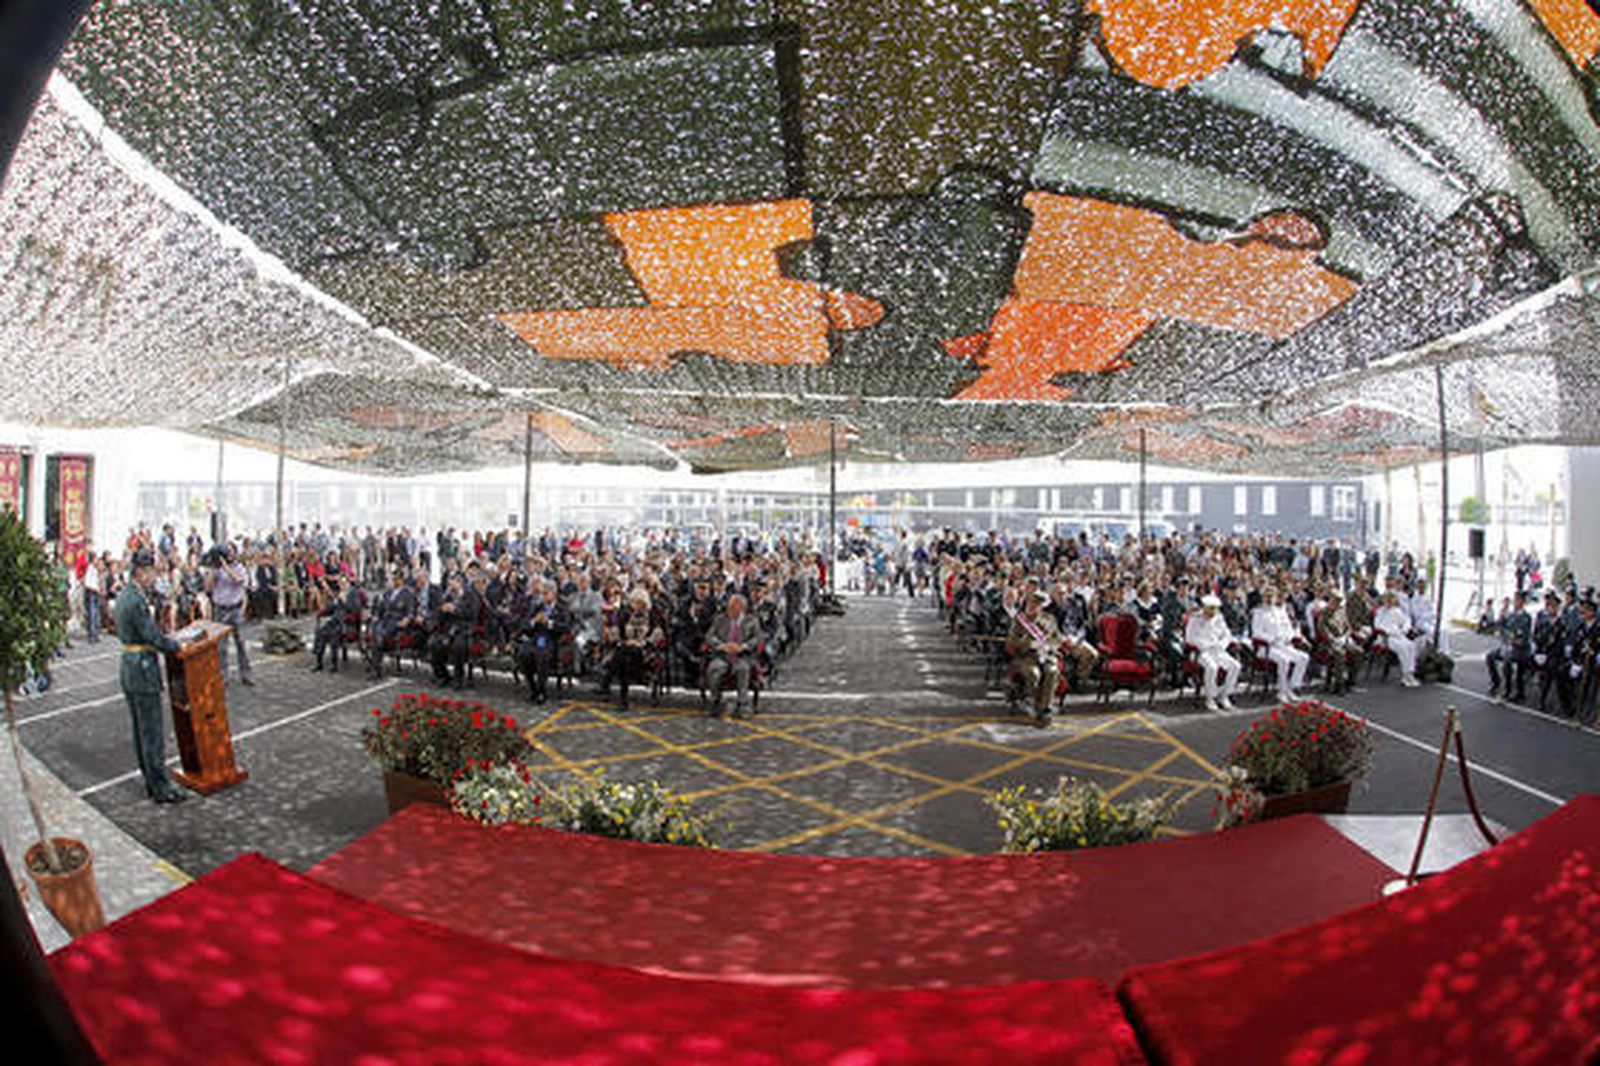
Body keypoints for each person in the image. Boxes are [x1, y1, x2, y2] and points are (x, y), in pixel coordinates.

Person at [115, 551, 189, 804]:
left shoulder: (124, 595)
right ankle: (160, 787)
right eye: (152, 572)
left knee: (140, 731)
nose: (154, 577)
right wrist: (177, 646)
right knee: (152, 732)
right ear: (141, 572)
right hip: (143, 669)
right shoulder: (136, 599)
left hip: (129, 667)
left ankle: (151, 781)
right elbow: (151, 636)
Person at [1005, 589, 1062, 725]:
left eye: (1036, 605)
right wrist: (1029, 643)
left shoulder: (1050, 619)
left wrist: (1049, 647)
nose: (1031, 607)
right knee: (1033, 674)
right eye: (1030, 604)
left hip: (1046, 655)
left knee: (1052, 672)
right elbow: (1011, 641)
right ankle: (1040, 706)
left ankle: (1045, 709)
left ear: (1041, 607)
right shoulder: (1019, 621)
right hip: (1027, 657)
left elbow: (1058, 639)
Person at [705, 593, 759, 718]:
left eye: (733, 607)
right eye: (729, 607)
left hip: (742, 656)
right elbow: (709, 636)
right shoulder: (720, 619)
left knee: (742, 669)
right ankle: (715, 701)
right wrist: (722, 646)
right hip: (722, 654)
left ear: (741, 608)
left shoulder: (752, 621)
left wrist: (743, 647)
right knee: (714, 668)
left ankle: (742, 704)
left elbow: (757, 639)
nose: (729, 610)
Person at [207, 544, 254, 686]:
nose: (229, 555)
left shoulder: (239, 568)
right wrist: (215, 571)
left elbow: (239, 580)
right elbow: (208, 587)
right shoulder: (217, 569)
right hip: (220, 610)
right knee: (221, 646)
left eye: (231, 553)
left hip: (235, 609)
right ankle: (223, 676)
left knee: (241, 643)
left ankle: (246, 675)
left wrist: (226, 567)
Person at [1252, 588, 1309, 703]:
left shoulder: (1281, 611)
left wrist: (1290, 637)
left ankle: (1291, 687)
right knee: (1284, 660)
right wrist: (1270, 639)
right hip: (1267, 647)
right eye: (1267, 596)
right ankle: (1281, 691)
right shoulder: (1258, 613)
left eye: (1271, 596)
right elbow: (1256, 632)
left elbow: (1288, 628)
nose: (1269, 599)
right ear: (1262, 597)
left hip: (1283, 645)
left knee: (1303, 658)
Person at [1184, 594, 1240, 712]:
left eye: (1215, 608)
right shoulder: (1195, 619)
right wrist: (1205, 644)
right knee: (1212, 667)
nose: (1213, 611)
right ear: (1204, 607)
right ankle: (1210, 698)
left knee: (1235, 666)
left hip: (1218, 650)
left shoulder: (1219, 618)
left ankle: (1224, 695)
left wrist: (1222, 644)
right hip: (1201, 652)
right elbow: (1189, 638)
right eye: (1210, 608)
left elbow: (1227, 635)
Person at [1487, 590, 1532, 704]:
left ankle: (1507, 690)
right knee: (1490, 656)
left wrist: (1512, 640)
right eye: (1515, 600)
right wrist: (1501, 615)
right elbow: (1500, 626)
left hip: (1520, 649)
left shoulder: (1526, 617)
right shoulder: (1511, 615)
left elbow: (1522, 638)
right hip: (1508, 646)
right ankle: (1495, 682)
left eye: (1517, 600)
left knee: (1507, 661)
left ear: (1522, 602)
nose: (1515, 602)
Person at [1374, 591, 1420, 687]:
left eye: (1390, 600)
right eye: (1387, 600)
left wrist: (1404, 629)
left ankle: (1410, 673)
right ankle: (1405, 674)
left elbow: (1406, 620)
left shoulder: (1397, 611)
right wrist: (1389, 631)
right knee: (1403, 648)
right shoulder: (1380, 612)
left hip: (1399, 635)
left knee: (1411, 646)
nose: (1388, 602)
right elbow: (1377, 626)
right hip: (1387, 638)